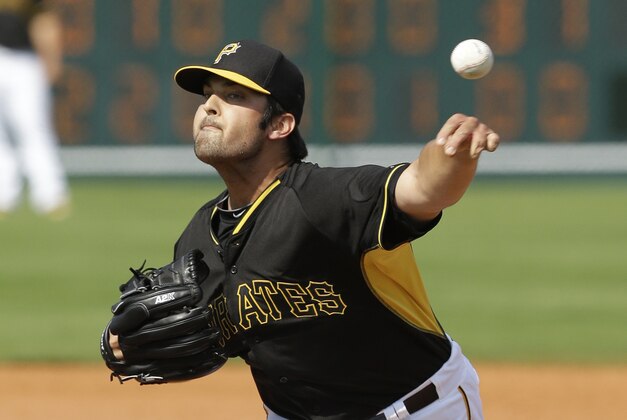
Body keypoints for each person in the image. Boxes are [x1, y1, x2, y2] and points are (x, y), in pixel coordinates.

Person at [113, 39, 500, 419]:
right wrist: (119, 344)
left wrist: (453, 156)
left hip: (415, 407)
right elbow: (192, 336)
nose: (210, 107)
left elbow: (424, 187)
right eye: (207, 95)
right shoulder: (198, 240)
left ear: (280, 125)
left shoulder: (324, 199)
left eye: (234, 96)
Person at [0, 0, 70, 219]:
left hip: (24, 61)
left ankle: (50, 195)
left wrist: (51, 58)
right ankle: (4, 195)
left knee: (33, 129)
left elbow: (44, 21)